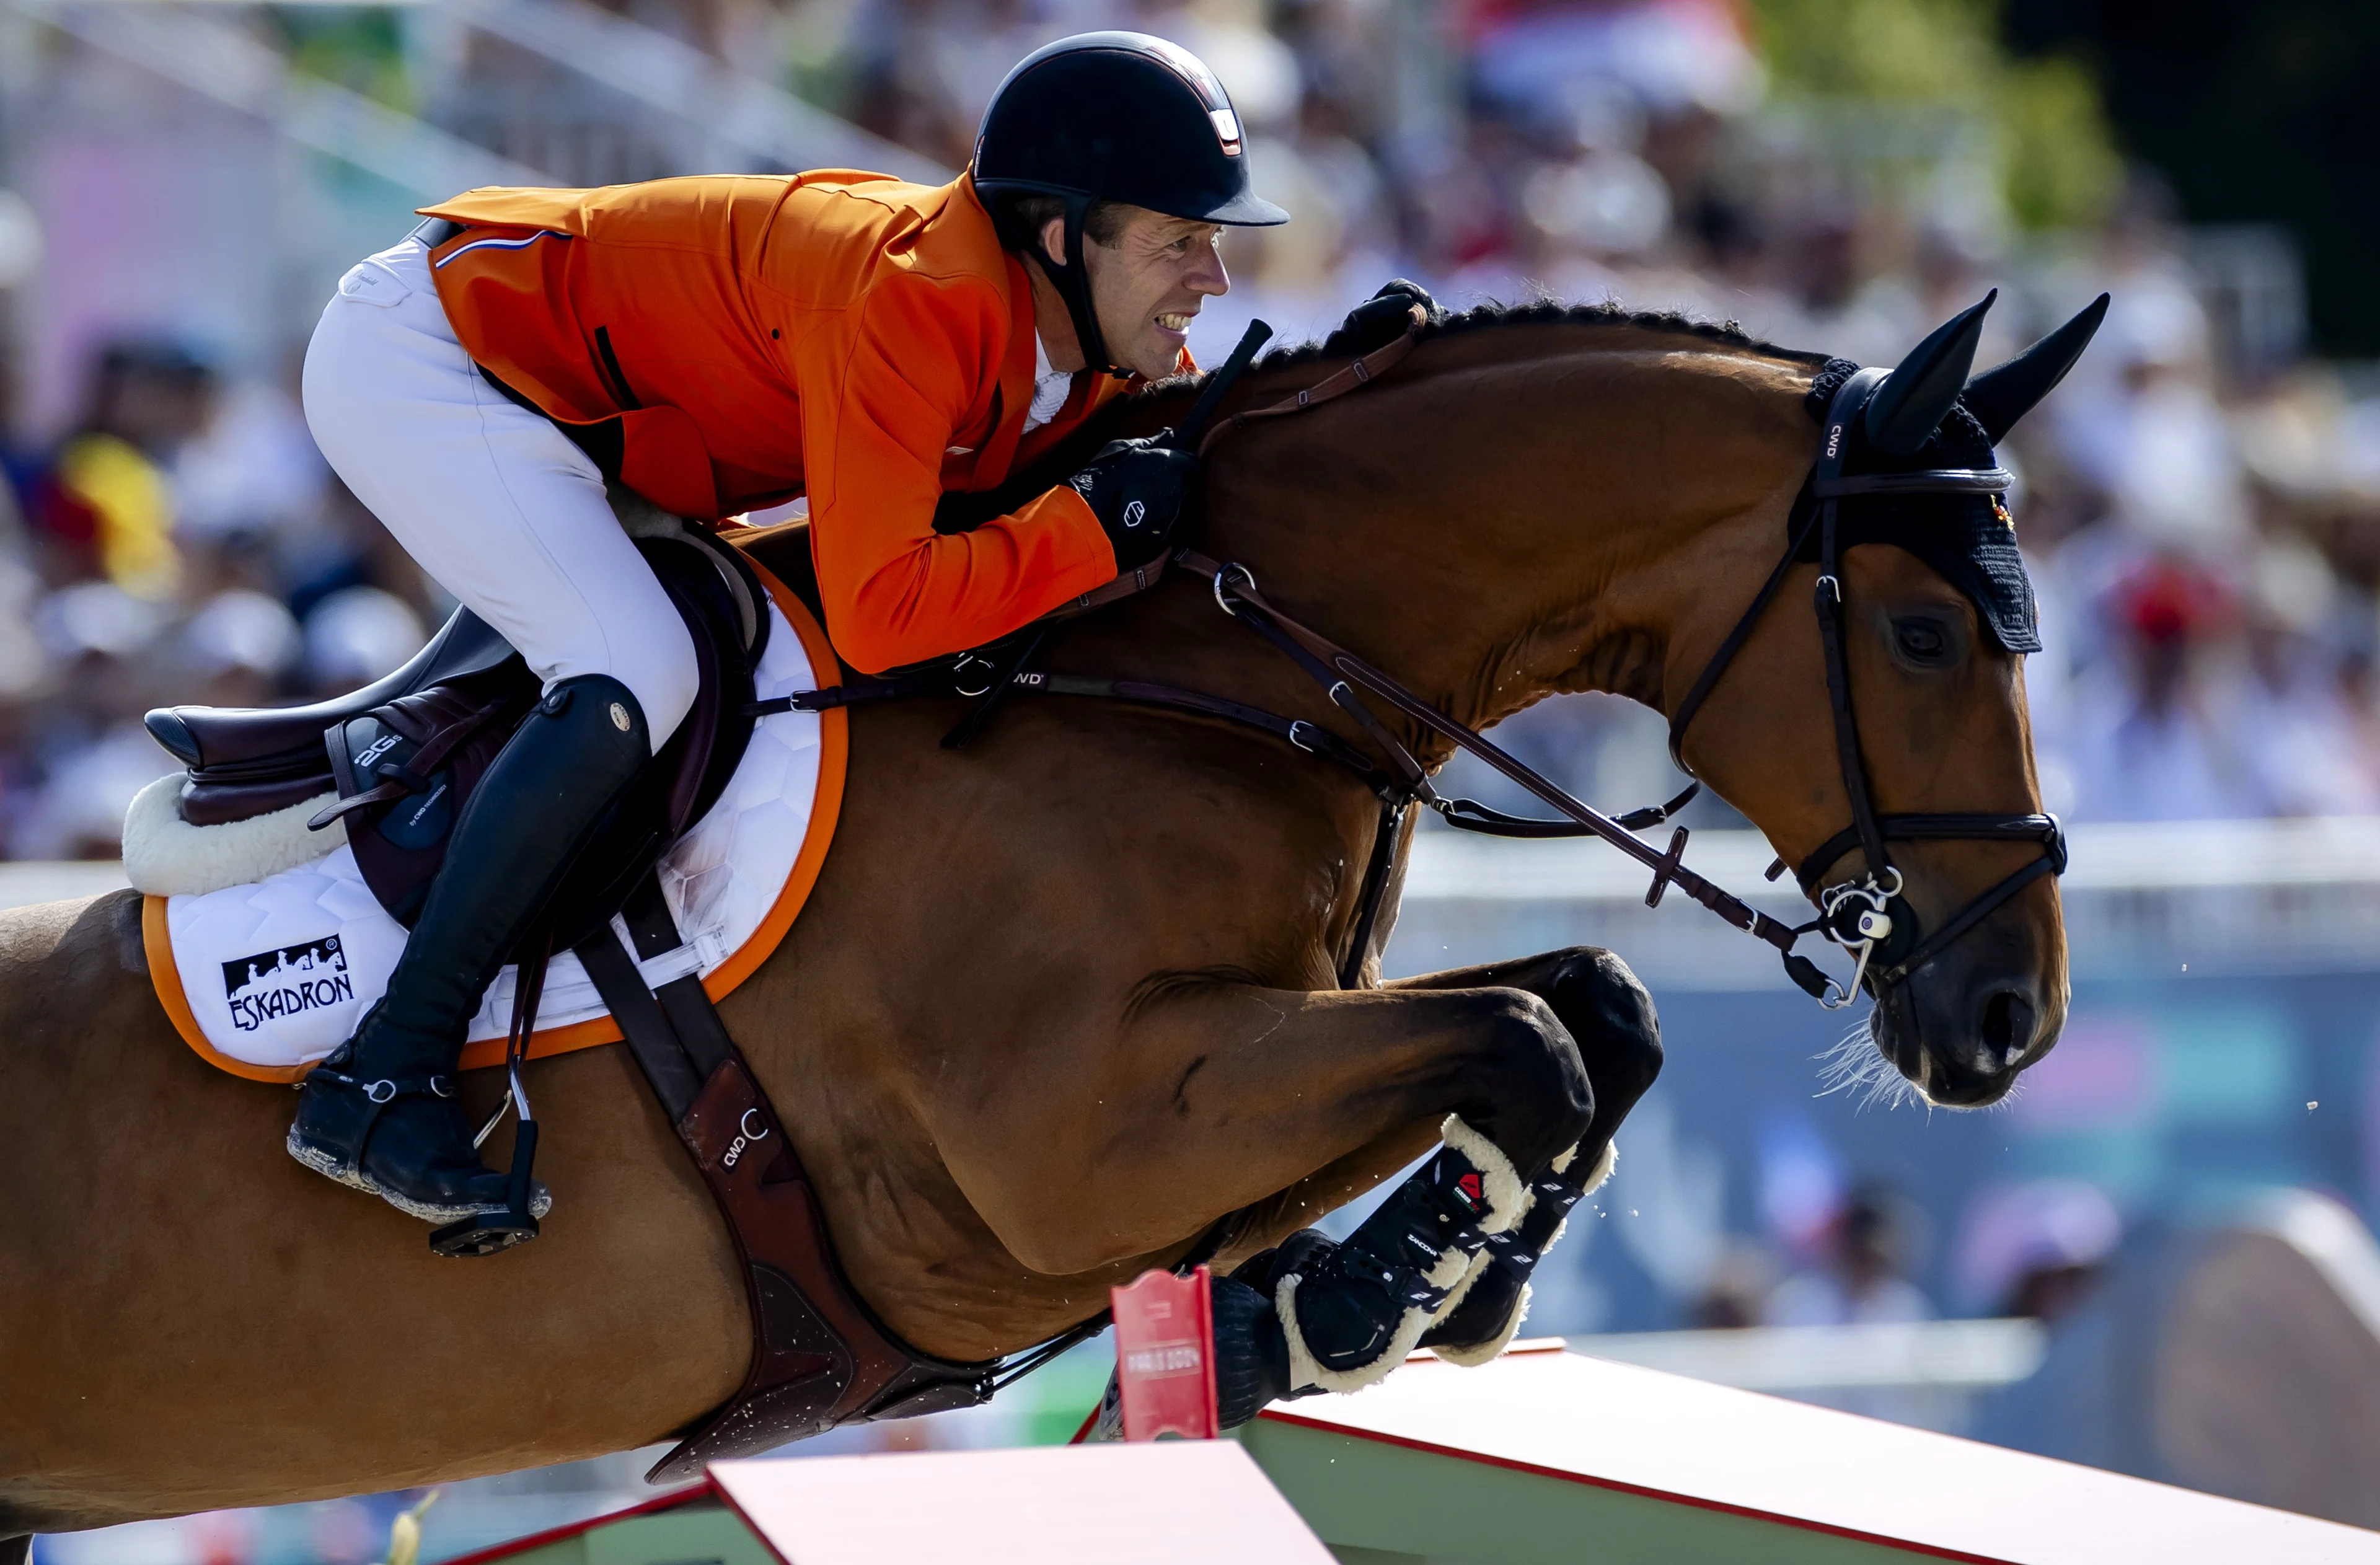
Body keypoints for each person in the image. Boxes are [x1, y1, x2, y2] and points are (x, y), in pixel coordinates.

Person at [283, 32, 1300, 1234]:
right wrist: (1083, 534)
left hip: (594, 418)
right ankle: (381, 1070)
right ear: (1061, 233)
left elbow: (1162, 463)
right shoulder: (915, 298)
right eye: (1182, 239)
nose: (1212, 278)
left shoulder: (1073, 326)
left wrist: (1375, 388)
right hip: (436, 362)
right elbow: (885, 619)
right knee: (638, 664)